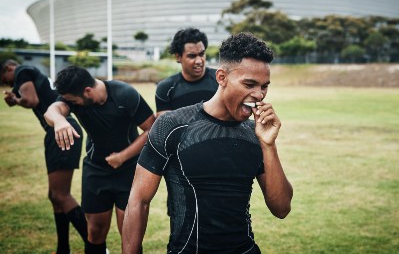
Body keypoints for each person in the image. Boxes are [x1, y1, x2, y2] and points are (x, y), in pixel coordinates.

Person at [122, 32, 294, 254]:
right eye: (249, 84)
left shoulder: (256, 134)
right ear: (221, 78)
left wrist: (269, 145)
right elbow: (138, 201)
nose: (259, 95)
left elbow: (281, 208)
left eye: (264, 86)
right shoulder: (173, 125)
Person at [44, 66, 155, 254]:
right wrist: (60, 120)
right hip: (95, 170)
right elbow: (53, 110)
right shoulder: (75, 98)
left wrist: (123, 156)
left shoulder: (124, 94)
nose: (70, 103)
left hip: (128, 171)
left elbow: (151, 128)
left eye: (72, 100)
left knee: (129, 235)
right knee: (94, 232)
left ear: (87, 91)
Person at [0, 60, 87, 254]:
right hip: (57, 130)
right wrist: (16, 97)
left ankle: (97, 246)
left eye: (4, 79)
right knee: (54, 196)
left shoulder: (22, 70)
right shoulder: (30, 72)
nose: (7, 84)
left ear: (8, 69)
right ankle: (63, 248)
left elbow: (31, 100)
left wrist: (15, 100)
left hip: (61, 129)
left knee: (61, 195)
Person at [155, 27, 218, 117]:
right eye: (192, 56)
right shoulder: (166, 88)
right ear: (178, 57)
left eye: (202, 54)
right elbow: (165, 127)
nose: (199, 61)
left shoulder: (221, 80)